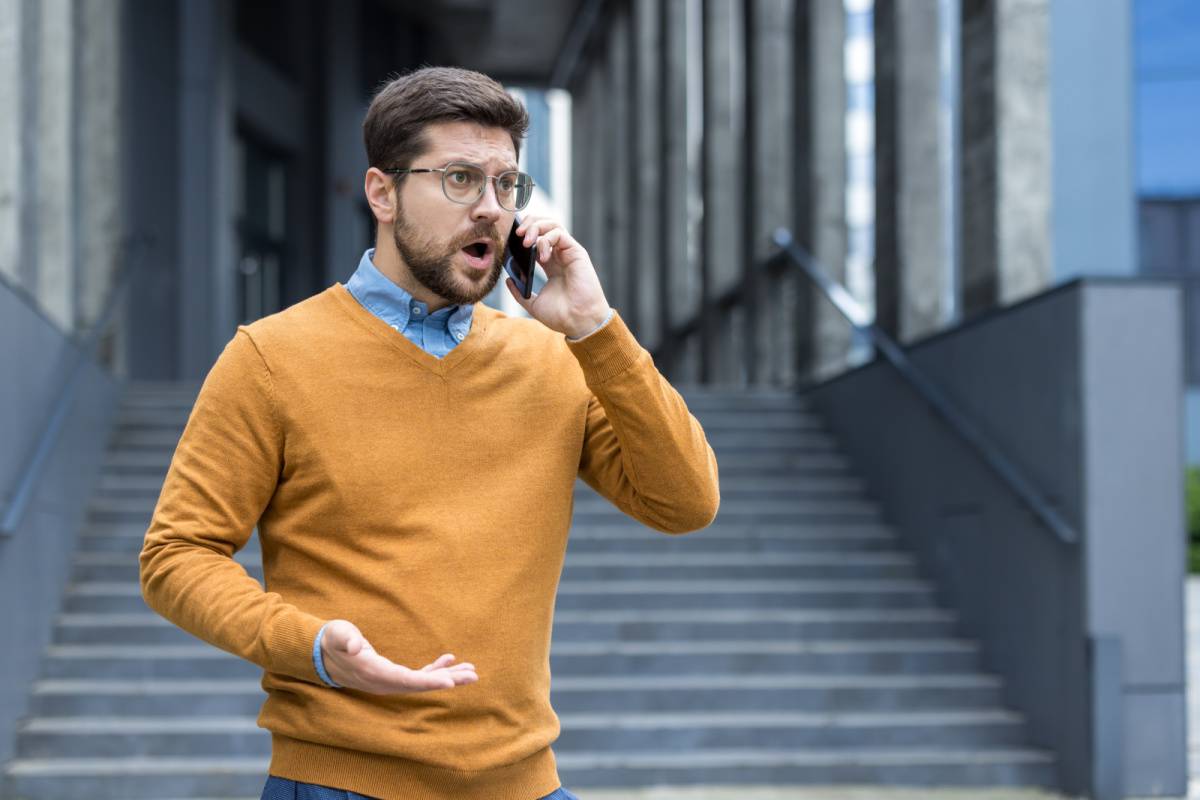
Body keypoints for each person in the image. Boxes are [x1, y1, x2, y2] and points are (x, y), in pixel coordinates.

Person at [139, 65, 720, 800]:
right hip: (340, 781)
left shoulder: (555, 361)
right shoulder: (270, 357)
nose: (489, 208)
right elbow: (176, 554)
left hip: (524, 783)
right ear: (381, 193)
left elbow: (686, 500)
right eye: (458, 179)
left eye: (506, 185)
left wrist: (597, 331)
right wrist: (311, 646)